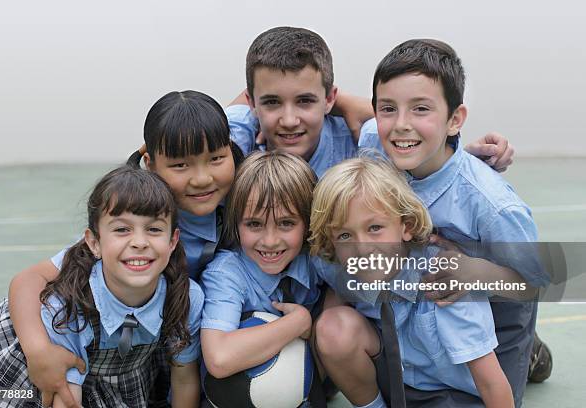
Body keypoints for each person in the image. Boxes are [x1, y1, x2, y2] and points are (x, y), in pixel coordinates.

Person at [7, 90, 241, 407]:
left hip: (153, 328)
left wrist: (333, 100)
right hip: (52, 337)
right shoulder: (137, 222)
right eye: (180, 164)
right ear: (151, 163)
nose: (201, 178)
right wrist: (38, 352)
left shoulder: (240, 202)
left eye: (215, 158)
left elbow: (260, 92)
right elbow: (27, 280)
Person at [357, 39, 548, 406]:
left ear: (455, 119)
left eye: (421, 109)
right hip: (421, 315)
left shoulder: (492, 204)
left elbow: (534, 283)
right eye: (388, 109)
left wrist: (474, 271)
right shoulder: (374, 141)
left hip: (491, 315)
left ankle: (532, 355)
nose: (401, 126)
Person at [0, 166, 203, 407]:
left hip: (114, 368)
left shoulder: (186, 297)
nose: (139, 242)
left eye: (154, 229)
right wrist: (37, 350)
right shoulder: (67, 305)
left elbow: (184, 381)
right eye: (122, 229)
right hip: (35, 356)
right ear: (94, 243)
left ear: (173, 241)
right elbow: (65, 399)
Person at [310, 157, 514, 407]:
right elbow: (335, 295)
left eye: (375, 228)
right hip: (402, 382)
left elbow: (490, 382)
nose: (362, 249)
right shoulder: (349, 269)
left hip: (456, 394)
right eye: (344, 235)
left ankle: (534, 355)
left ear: (406, 226)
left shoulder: (442, 283)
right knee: (332, 327)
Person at [226, 26, 515, 178]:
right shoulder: (234, 145)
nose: (289, 120)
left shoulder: (362, 142)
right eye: (272, 103)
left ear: (329, 99)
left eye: (305, 101)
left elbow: (416, 141)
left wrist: (460, 156)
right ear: (253, 104)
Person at [199, 151, 328, 405]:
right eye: (254, 225)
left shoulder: (314, 261)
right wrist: (298, 322)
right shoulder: (226, 274)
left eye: (286, 223)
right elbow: (219, 358)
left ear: (309, 223)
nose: (269, 241)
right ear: (235, 224)